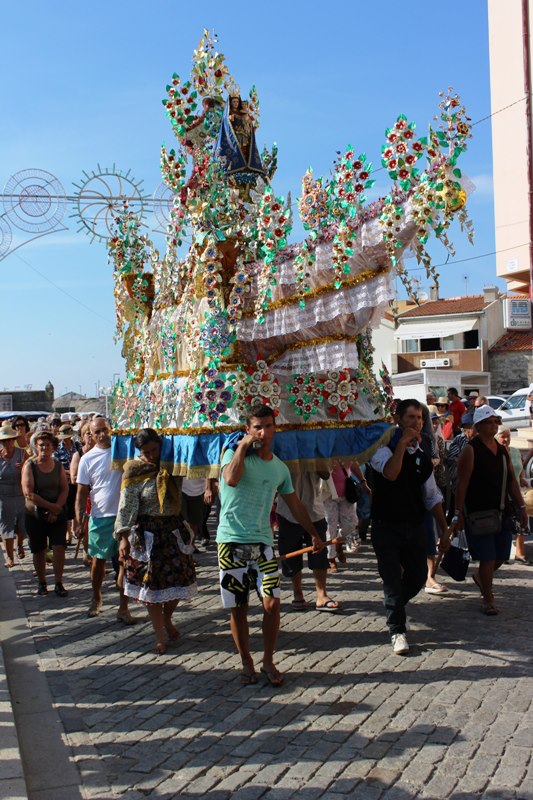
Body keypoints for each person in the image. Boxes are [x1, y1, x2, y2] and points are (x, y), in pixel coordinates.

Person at [217, 404, 323, 687]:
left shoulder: (279, 468)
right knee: (239, 607)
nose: (264, 432)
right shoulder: (232, 455)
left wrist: (313, 533)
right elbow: (231, 478)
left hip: (263, 541)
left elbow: (295, 504)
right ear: (247, 431)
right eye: (258, 427)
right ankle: (246, 662)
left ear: (276, 428)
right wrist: (241, 447)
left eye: (269, 426)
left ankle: (267, 660)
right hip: (231, 541)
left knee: (273, 603)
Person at [369, 399, 450, 654]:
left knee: (416, 578)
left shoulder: (423, 458)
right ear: (399, 420)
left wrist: (445, 529)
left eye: (420, 418)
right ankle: (397, 630)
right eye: (411, 417)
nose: (417, 422)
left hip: (414, 526)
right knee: (392, 579)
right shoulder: (381, 449)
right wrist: (402, 444)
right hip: (386, 526)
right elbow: (391, 473)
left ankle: (394, 606)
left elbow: (432, 496)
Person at [115, 429, 197, 654]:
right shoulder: (134, 470)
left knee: (180, 580)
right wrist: (124, 537)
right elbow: (127, 505)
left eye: (154, 449)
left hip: (172, 530)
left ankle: (166, 618)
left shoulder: (172, 463)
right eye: (146, 452)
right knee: (152, 585)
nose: (151, 455)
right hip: (148, 534)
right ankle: (160, 633)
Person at [455, 405, 529, 615]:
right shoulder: (471, 449)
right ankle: (488, 598)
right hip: (479, 513)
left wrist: (521, 506)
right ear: (478, 426)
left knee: (501, 555)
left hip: (502, 511)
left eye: (495, 421)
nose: (494, 425)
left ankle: (481, 578)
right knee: (487, 557)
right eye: (489, 421)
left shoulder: (502, 450)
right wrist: (458, 512)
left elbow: (512, 481)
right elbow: (462, 484)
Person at [76, 417, 134, 622]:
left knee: (124, 563)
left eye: (105, 430)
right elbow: (82, 493)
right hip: (99, 516)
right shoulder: (87, 459)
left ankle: (123, 607)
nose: (102, 435)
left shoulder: (124, 451)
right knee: (98, 562)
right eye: (97, 431)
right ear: (90, 434)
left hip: (123, 516)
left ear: (111, 430)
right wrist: (78, 519)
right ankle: (96, 597)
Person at [277, 470, 339, 612]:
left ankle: (321, 594)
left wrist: (314, 461)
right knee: (291, 552)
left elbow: (326, 473)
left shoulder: (315, 448)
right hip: (287, 510)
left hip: (314, 507)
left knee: (319, 552)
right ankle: (297, 592)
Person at [21, 430, 68, 596]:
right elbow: (29, 492)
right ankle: (42, 582)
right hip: (35, 513)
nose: (44, 448)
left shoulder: (57, 465)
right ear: (35, 446)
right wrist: (50, 506)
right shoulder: (30, 465)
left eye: (47, 445)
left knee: (58, 547)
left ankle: (58, 582)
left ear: (53, 447)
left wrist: (57, 507)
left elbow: (64, 488)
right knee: (39, 549)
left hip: (56, 511)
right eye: (41, 445)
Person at [496, 425, 531, 565]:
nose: (506, 439)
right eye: (503, 436)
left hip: (516, 494)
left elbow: (520, 473)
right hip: (501, 495)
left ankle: (520, 554)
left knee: (521, 523)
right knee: (502, 526)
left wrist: (523, 481)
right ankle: (501, 554)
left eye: (508, 436)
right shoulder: (494, 454)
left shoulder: (515, 452)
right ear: (496, 437)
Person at [0, 427, 27, 568]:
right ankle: (10, 557)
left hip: (20, 494)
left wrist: (24, 467)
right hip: (4, 497)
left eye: (10, 440)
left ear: (14, 440)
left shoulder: (22, 454)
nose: (7, 443)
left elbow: (31, 471)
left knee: (22, 526)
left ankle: (20, 545)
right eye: (4, 441)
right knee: (6, 527)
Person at [70, 422, 94, 565]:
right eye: (87, 433)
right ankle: (88, 554)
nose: (90, 436)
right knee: (86, 527)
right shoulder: (78, 455)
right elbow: (73, 478)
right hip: (85, 494)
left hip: (98, 495)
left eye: (92, 433)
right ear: (82, 437)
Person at [55, 424, 82, 545]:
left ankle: (75, 529)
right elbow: (57, 466)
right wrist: (71, 471)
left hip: (76, 481)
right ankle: (68, 533)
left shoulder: (77, 446)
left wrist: (74, 472)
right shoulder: (57, 449)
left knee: (75, 505)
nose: (65, 439)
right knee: (65, 508)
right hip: (63, 481)